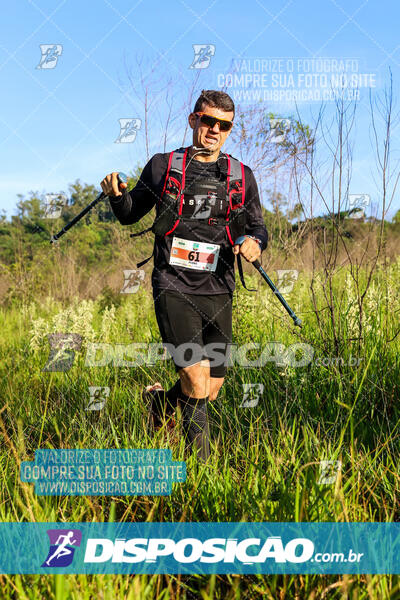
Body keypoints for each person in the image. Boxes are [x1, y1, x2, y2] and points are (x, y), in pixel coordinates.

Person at [101, 90, 268, 461]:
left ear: (229, 130)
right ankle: (201, 475)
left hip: (220, 287)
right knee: (194, 380)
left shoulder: (242, 176)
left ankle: (160, 406)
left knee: (210, 388)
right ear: (193, 120)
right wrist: (116, 196)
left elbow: (258, 229)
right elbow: (131, 213)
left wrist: (255, 243)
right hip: (173, 285)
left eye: (223, 125)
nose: (214, 130)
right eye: (208, 121)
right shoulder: (163, 166)